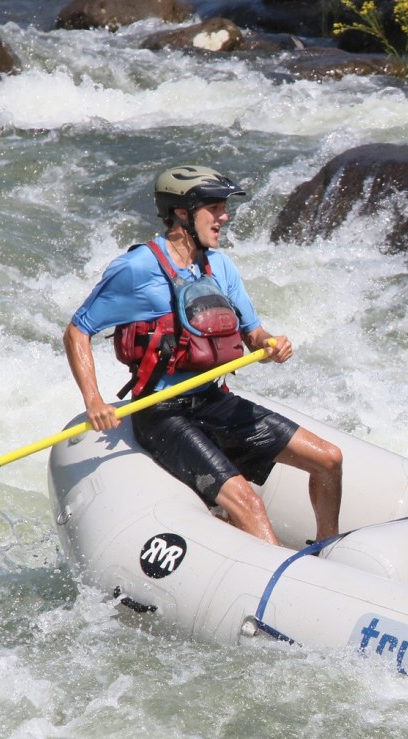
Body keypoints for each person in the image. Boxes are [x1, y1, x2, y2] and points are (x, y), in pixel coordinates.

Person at [63, 165, 343, 546]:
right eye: (215, 207)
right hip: (163, 412)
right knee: (250, 505)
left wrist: (271, 346)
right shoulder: (137, 268)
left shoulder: (220, 266)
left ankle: (326, 547)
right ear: (182, 213)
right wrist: (93, 400)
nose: (224, 216)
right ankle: (281, 581)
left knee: (329, 459)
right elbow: (78, 330)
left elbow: (254, 335)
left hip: (213, 400)